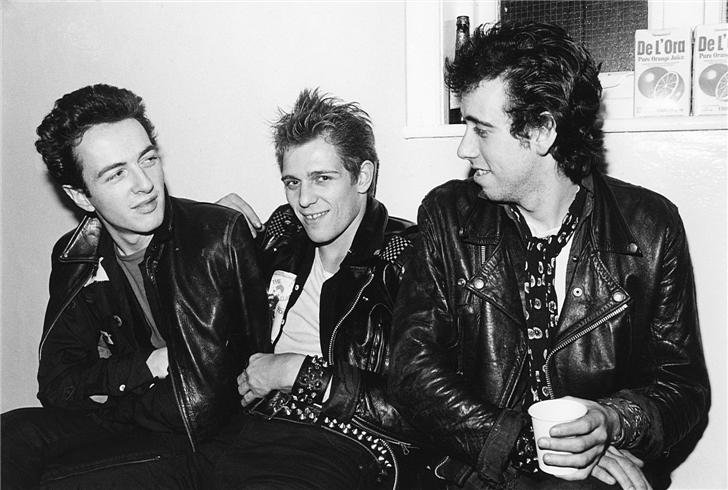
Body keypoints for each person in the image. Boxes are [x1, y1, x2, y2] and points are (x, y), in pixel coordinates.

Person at [389, 21, 710, 490]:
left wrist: (611, 422)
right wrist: (530, 443)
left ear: (541, 131)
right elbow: (411, 369)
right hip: (474, 467)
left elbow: (682, 387)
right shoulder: (448, 216)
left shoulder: (650, 227)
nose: (464, 148)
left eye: (481, 130)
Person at [1, 84, 268, 489]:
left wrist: (111, 390)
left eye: (148, 159)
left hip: (202, 436)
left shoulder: (215, 237)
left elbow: (203, 403)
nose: (144, 184)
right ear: (81, 196)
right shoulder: (77, 255)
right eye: (116, 173)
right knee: (12, 434)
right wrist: (148, 365)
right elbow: (56, 383)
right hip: (139, 415)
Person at [205, 88, 421, 489]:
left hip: (345, 441)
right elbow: (208, 328)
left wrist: (297, 372)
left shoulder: (407, 259)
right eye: (293, 182)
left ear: (363, 176)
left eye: (322, 178)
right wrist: (211, 237)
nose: (304, 200)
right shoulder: (281, 238)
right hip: (249, 427)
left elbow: (421, 409)